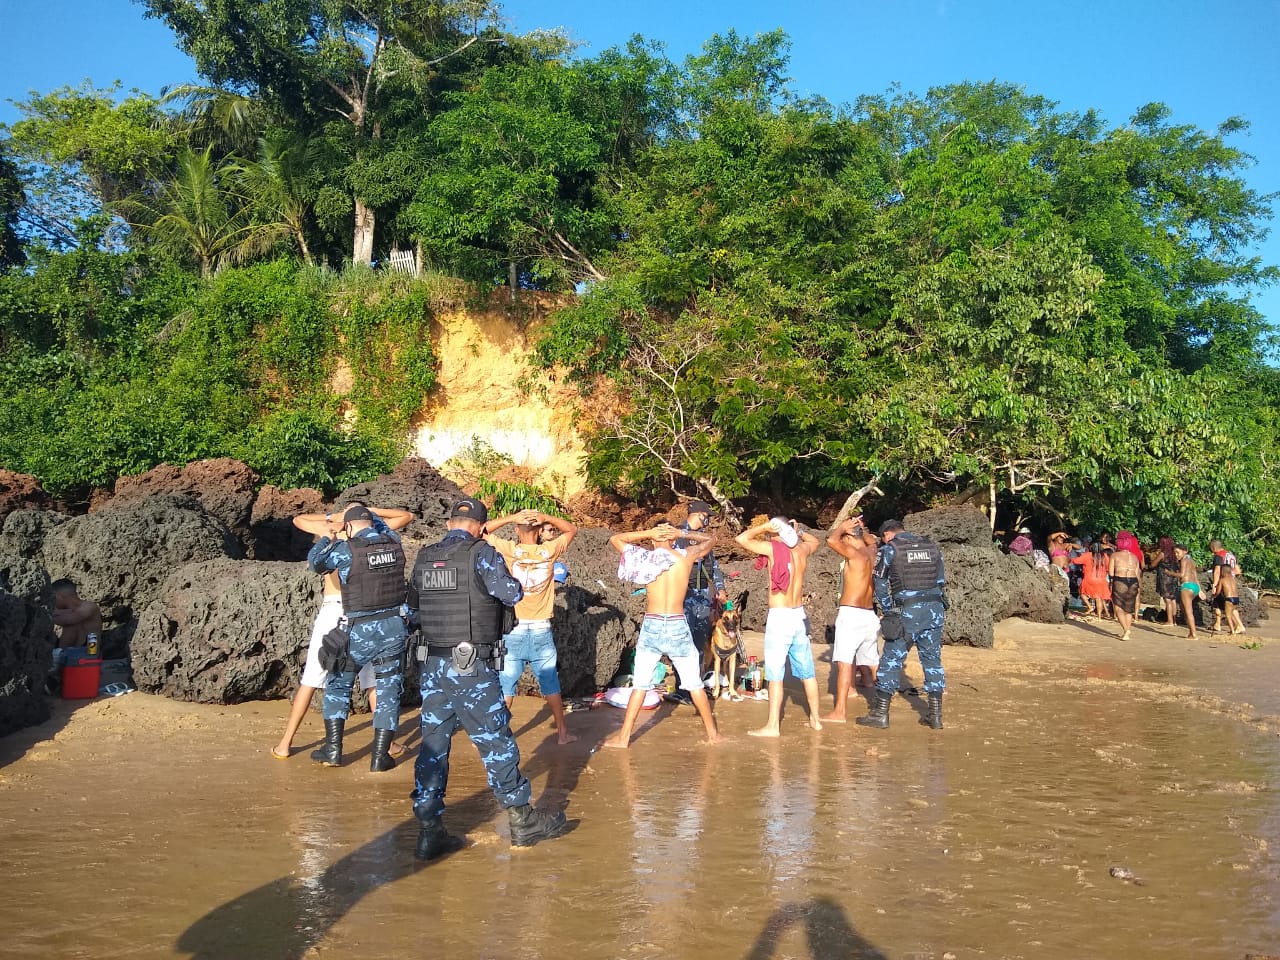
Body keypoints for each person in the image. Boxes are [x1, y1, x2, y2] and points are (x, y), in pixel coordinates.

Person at [407, 497, 568, 860]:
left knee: (433, 748)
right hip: (472, 667)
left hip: (433, 667)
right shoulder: (482, 553)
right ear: (480, 527)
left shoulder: (424, 557)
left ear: (449, 524)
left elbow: (411, 609)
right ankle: (522, 820)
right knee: (496, 742)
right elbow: (512, 593)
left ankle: (428, 832)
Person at [272, 504, 413, 761]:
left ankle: (288, 743)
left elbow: (300, 523)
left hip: (341, 613)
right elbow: (404, 517)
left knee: (319, 677)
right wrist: (350, 515)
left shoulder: (338, 541)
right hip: (376, 616)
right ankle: (385, 748)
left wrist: (331, 524)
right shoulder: (381, 539)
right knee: (380, 682)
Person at [602, 519, 724, 749]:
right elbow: (711, 539)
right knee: (694, 684)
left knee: (640, 684)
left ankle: (624, 738)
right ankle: (713, 735)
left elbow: (615, 539)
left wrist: (649, 532)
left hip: (653, 623)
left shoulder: (645, 558)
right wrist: (681, 532)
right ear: (672, 537)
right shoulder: (685, 556)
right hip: (677, 622)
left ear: (652, 538)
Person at [484, 507, 579, 745]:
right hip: (540, 629)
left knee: (506, 684)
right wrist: (546, 518)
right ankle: (563, 734)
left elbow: (481, 531)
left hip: (514, 628)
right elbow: (572, 529)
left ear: (517, 530)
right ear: (538, 532)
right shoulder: (548, 551)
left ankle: (498, 736)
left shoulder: (509, 550)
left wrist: (510, 517)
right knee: (550, 683)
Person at [735, 516, 824, 737]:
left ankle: (773, 726)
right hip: (798, 615)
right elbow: (816, 542)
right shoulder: (802, 550)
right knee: (807, 672)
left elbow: (742, 538)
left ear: (776, 531)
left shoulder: (773, 549)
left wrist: (764, 527)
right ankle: (816, 720)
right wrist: (799, 531)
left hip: (780, 616)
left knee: (775, 674)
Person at [858, 519, 947, 730]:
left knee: (891, 660)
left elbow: (879, 583)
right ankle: (934, 716)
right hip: (935, 610)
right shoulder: (932, 547)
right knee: (932, 660)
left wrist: (889, 610)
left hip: (907, 611)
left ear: (887, 534)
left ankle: (880, 714)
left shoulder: (891, 549)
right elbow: (941, 580)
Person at [822, 518, 880, 723]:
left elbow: (830, 540)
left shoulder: (853, 553)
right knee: (872, 663)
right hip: (869, 614)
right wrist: (861, 530)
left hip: (851, 613)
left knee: (845, 664)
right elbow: (872, 542)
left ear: (848, 537)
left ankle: (839, 712)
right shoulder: (871, 553)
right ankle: (881, 707)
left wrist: (841, 528)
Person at [674, 501, 728, 659]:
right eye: (707, 516)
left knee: (700, 638)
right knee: (684, 639)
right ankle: (681, 681)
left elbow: (714, 566)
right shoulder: (677, 534)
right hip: (685, 593)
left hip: (703, 594)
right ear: (699, 515)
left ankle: (697, 677)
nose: (708, 520)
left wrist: (720, 588)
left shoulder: (705, 538)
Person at [50, 578, 102, 657]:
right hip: (69, 655)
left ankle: (59, 657)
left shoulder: (90, 607)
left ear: (58, 596)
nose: (52, 602)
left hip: (91, 653)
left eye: (53, 598)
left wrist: (45, 612)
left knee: (70, 625)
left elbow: (69, 619)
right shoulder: (66, 611)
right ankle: (60, 657)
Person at [1109, 531, 1143, 641]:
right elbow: (1138, 573)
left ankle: (1126, 630)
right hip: (1133, 581)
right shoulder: (1134, 557)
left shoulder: (1115, 555)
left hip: (1120, 580)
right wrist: (1139, 586)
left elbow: (1110, 573)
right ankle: (1127, 631)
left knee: (1118, 607)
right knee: (1128, 609)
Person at [1210, 540, 1245, 635]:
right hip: (1232, 582)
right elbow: (1238, 570)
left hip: (1223, 583)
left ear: (1213, 547)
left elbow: (1217, 571)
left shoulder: (1218, 556)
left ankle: (1238, 625)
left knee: (1226, 607)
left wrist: (1215, 585)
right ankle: (1218, 624)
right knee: (1227, 606)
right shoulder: (1230, 555)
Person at [1079, 540, 1112, 619]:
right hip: (1101, 580)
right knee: (1098, 598)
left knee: (1081, 592)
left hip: (1089, 579)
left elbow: (1077, 561)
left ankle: (1090, 607)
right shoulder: (1105, 556)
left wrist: (1070, 560)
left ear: (1091, 547)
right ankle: (1099, 617)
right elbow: (1108, 567)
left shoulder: (1087, 555)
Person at [1175, 543, 1200, 640]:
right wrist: (1199, 589)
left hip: (1187, 586)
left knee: (1188, 611)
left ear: (1185, 551)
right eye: (1175, 553)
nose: (1176, 555)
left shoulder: (1184, 560)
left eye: (1177, 552)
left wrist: (1169, 573)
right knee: (1184, 609)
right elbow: (1195, 575)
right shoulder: (1192, 561)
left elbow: (1181, 575)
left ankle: (1193, 634)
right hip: (1194, 586)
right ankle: (1191, 632)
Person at [1155, 536, 1181, 625]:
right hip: (1173, 578)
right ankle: (1174, 620)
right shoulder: (1175, 554)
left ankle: (1169, 620)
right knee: (1173, 599)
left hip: (1165, 578)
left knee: (1167, 600)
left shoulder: (1163, 553)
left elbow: (1153, 564)